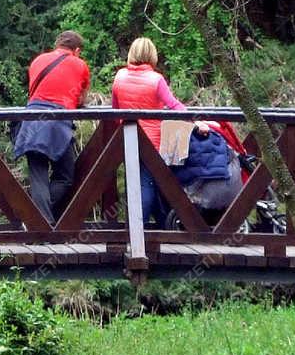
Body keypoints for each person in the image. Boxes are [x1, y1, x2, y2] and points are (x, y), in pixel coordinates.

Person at [111, 37, 207, 227]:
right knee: (147, 183)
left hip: (128, 139)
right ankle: (140, 232)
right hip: (152, 142)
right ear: (152, 55)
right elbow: (174, 105)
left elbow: (115, 111)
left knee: (138, 183)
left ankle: (150, 227)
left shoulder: (119, 76)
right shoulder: (156, 80)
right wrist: (197, 123)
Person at [12, 30, 90, 222]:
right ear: (77, 50)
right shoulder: (80, 65)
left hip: (31, 120)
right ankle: (39, 221)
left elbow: (34, 92)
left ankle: (37, 221)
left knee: (38, 176)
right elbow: (81, 99)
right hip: (57, 123)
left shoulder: (38, 60)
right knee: (65, 176)